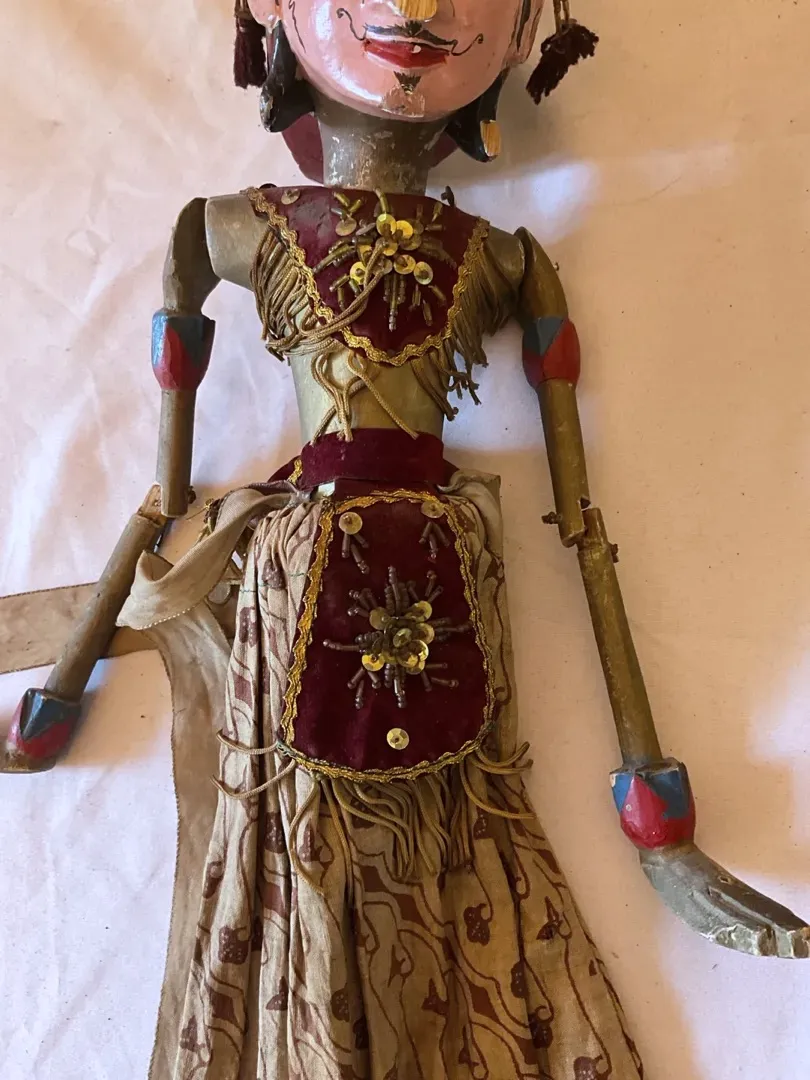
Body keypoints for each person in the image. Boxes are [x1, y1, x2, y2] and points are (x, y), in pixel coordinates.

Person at [2, 0, 807, 1076]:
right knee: (291, 862)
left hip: (440, 582)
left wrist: (661, 826)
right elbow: (163, 497)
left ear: (526, 31)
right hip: (306, 586)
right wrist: (60, 689)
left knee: (470, 862)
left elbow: (582, 526)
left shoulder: (511, 262)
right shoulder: (222, 231)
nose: (421, 7)